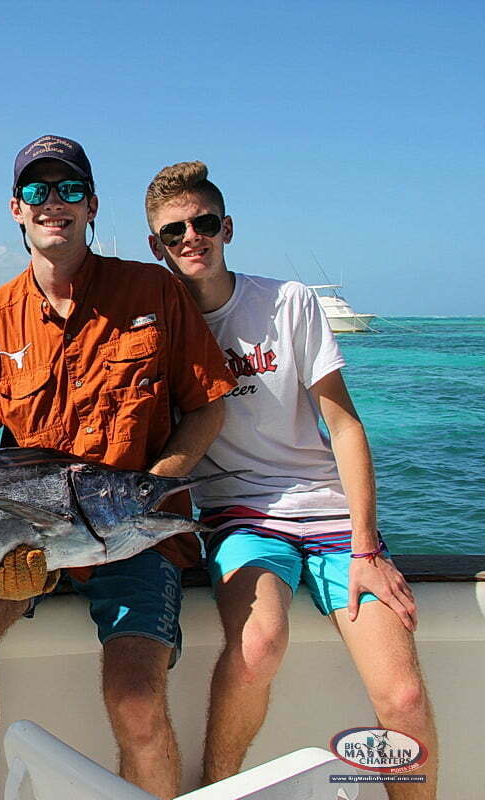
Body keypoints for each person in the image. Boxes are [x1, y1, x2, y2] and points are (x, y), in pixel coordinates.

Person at [0, 135, 236, 799]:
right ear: (16, 209)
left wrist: (152, 489)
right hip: (28, 543)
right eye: (37, 190)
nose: (54, 202)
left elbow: (207, 407)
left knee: (136, 698)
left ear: (93, 205)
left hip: (136, 538)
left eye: (70, 189)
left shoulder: (153, 289)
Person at [145, 160, 438, 797]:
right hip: (240, 514)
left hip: (332, 515)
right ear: (156, 245)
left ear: (226, 228)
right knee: (258, 648)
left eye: (204, 224)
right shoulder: (158, 327)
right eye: (174, 231)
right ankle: (216, 787)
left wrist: (366, 546)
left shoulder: (289, 302)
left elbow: (345, 426)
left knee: (404, 695)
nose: (192, 238)